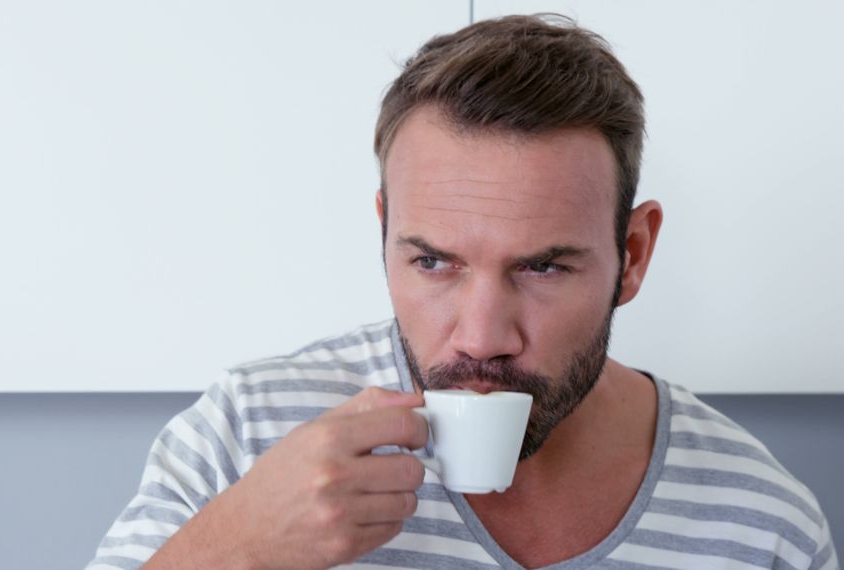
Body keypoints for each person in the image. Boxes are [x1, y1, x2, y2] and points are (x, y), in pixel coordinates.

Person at [86, 14, 837, 570]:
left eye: (543, 267)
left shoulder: (763, 524)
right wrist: (233, 548)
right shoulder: (247, 436)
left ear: (633, 255)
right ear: (386, 235)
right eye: (435, 264)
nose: (481, 337)